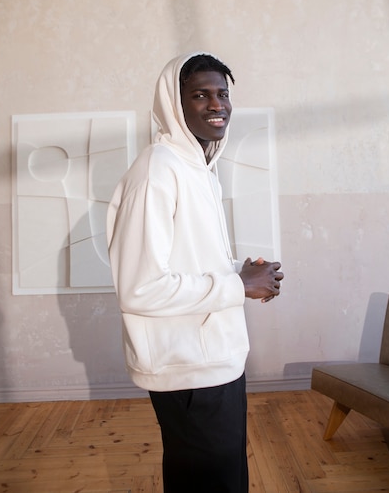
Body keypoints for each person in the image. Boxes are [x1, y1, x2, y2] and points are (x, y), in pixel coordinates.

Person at [107, 52, 284, 493]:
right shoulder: (156, 171)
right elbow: (139, 289)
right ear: (174, 103)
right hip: (186, 365)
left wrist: (239, 272)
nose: (216, 104)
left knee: (221, 477)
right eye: (200, 95)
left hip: (217, 361)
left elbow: (189, 259)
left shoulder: (200, 168)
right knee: (208, 481)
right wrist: (235, 285)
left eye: (222, 93)